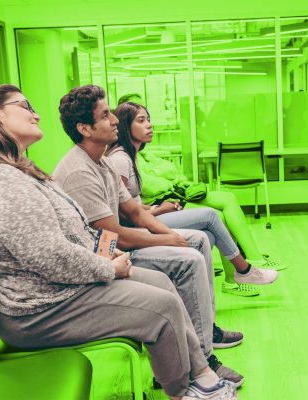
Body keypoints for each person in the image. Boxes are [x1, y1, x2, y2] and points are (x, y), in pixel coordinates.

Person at [0, 84, 237, 400]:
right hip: (41, 307)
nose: (36, 114)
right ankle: (184, 391)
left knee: (162, 281)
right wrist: (110, 267)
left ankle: (201, 374)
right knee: (163, 305)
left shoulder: (21, 170)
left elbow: (92, 228)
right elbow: (51, 255)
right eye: (25, 106)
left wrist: (115, 255)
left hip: (64, 285)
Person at [54, 84, 253, 388]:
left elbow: (135, 212)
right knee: (188, 259)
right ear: (85, 128)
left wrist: (171, 234)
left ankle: (205, 335)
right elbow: (114, 236)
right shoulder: (78, 171)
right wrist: (168, 241)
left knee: (197, 240)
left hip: (117, 244)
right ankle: (201, 359)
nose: (115, 121)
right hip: (106, 256)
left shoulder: (103, 162)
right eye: (106, 115)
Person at [109, 101, 284, 297]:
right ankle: (243, 270)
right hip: (137, 228)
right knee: (210, 215)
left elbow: (131, 204)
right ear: (126, 126)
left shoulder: (131, 156)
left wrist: (154, 208)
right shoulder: (120, 160)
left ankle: (203, 298)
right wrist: (159, 210)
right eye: (141, 121)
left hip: (148, 216)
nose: (149, 125)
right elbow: (122, 213)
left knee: (208, 237)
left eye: (148, 119)